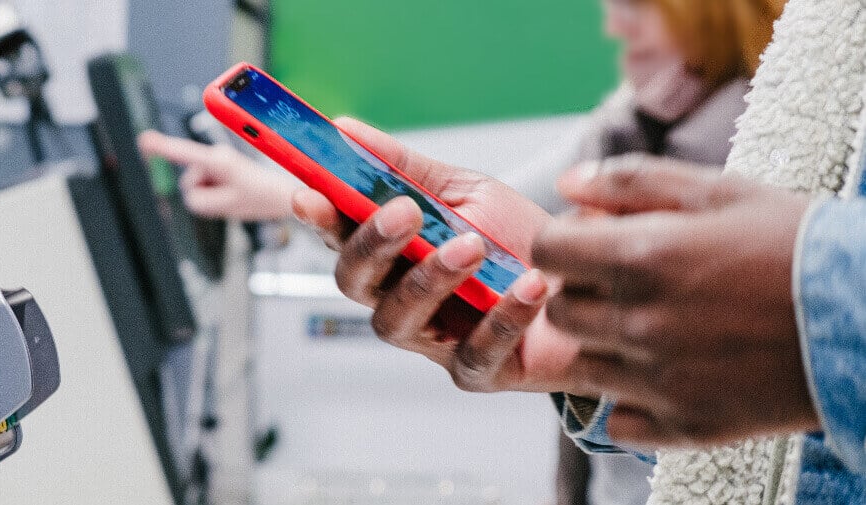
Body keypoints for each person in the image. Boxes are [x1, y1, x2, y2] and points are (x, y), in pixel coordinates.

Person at [140, 0, 783, 502]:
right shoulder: (637, 114)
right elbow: (487, 211)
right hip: (625, 464)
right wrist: (276, 186)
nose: (617, 22)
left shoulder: (763, 144)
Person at [292, 0, 866, 501]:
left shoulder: (739, 133)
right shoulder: (636, 117)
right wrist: (592, 362)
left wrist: (812, 308)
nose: (616, 25)